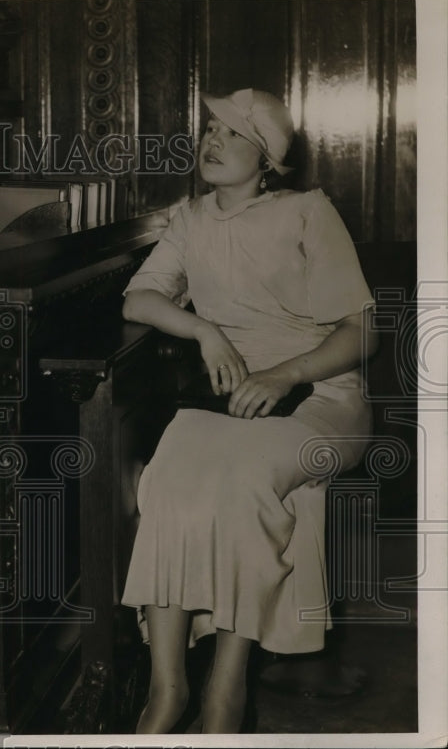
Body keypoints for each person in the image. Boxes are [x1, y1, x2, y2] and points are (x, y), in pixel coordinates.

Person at [120, 88, 377, 733]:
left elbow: (361, 331)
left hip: (321, 402)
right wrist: (206, 331)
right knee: (169, 473)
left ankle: (224, 694)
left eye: (232, 134)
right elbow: (139, 299)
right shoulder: (190, 219)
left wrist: (281, 372)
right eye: (209, 128)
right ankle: (168, 691)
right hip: (240, 409)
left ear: (266, 158)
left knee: (238, 480)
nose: (212, 140)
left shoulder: (306, 213)